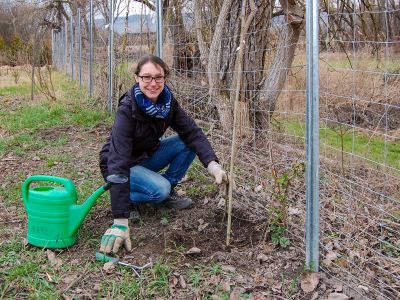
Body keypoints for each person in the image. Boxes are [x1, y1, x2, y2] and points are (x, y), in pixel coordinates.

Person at [98, 54, 227, 254]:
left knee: (186, 142)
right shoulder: (128, 108)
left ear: (164, 78)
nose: (153, 83)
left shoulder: (168, 103)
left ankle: (166, 192)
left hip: (143, 157)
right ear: (137, 78)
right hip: (118, 163)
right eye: (146, 77)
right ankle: (131, 198)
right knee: (159, 188)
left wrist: (213, 165)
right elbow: (118, 158)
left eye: (158, 77)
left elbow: (192, 133)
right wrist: (120, 221)